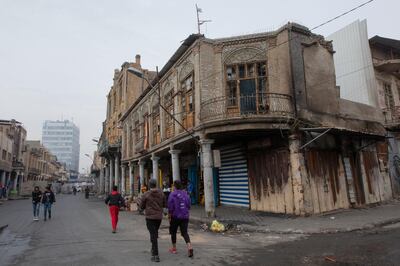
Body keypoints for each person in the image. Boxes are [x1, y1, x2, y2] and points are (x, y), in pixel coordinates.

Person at [140, 179, 165, 263]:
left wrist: (142, 208)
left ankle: (156, 255)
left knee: (153, 235)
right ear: (156, 184)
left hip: (150, 218)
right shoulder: (161, 193)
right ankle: (153, 248)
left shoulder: (146, 194)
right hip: (158, 217)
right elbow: (165, 204)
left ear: (149, 185)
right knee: (154, 233)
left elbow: (142, 206)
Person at [168, 180, 193, 257]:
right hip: (185, 216)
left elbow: (170, 206)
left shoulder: (172, 194)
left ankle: (174, 248)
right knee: (184, 232)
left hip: (175, 216)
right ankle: (189, 247)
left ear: (174, 186)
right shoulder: (185, 194)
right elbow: (189, 205)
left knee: (173, 232)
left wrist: (169, 215)